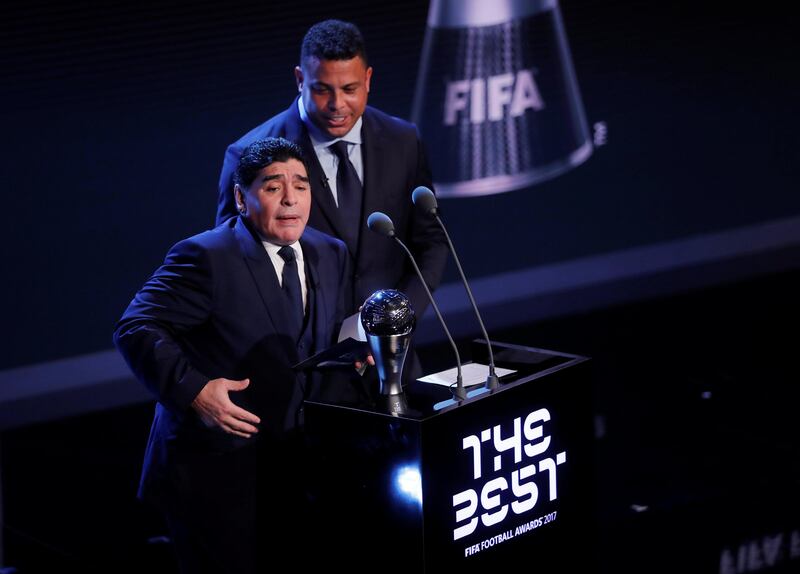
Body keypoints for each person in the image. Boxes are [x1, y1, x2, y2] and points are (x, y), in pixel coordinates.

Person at [114, 137, 357, 574]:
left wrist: (356, 354)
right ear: (241, 198)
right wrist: (196, 391)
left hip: (295, 466)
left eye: (301, 186)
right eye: (272, 187)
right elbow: (136, 327)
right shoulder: (206, 256)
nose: (290, 199)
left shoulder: (329, 252)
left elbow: (317, 340)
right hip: (215, 474)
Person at [215, 19, 448, 322]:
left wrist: (399, 317)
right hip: (301, 358)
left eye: (349, 89)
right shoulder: (247, 155)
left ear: (368, 79)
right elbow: (234, 263)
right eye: (322, 90)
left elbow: (430, 243)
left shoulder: (403, 140)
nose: (337, 104)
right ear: (300, 79)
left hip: (390, 353)